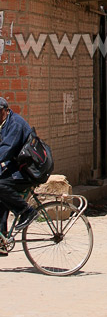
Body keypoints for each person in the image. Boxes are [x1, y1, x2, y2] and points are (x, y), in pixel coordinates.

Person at [0, 96, 38, 247]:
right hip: (17, 168)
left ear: (5, 111)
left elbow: (5, 151)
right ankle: (2, 242)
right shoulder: (4, 124)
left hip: (28, 171)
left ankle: (26, 211)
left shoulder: (15, 124)